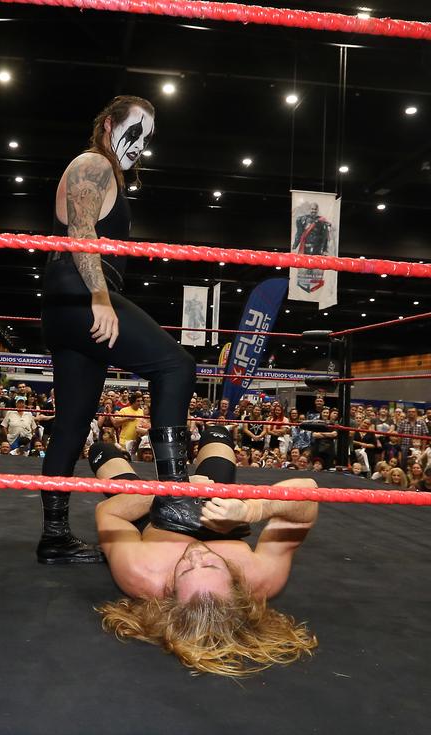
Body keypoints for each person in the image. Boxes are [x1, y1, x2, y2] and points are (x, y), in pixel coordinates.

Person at [39, 95, 197, 565]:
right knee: (177, 366)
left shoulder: (104, 171)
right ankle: (173, 496)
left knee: (71, 423)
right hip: (82, 292)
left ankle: (53, 537)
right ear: (108, 125)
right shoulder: (93, 163)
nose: (140, 145)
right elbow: (82, 231)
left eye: (148, 138)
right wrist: (101, 299)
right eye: (134, 131)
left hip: (65, 301)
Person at [88, 425, 318, 676]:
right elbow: (307, 492)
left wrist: (170, 489)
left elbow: (108, 513)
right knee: (217, 435)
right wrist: (254, 510)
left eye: (185, 570)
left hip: (158, 520)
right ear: (236, 585)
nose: (195, 555)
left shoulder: (142, 573)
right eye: (210, 564)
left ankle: (127, 467)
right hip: (217, 515)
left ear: (171, 596)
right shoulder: (261, 577)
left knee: (102, 451)